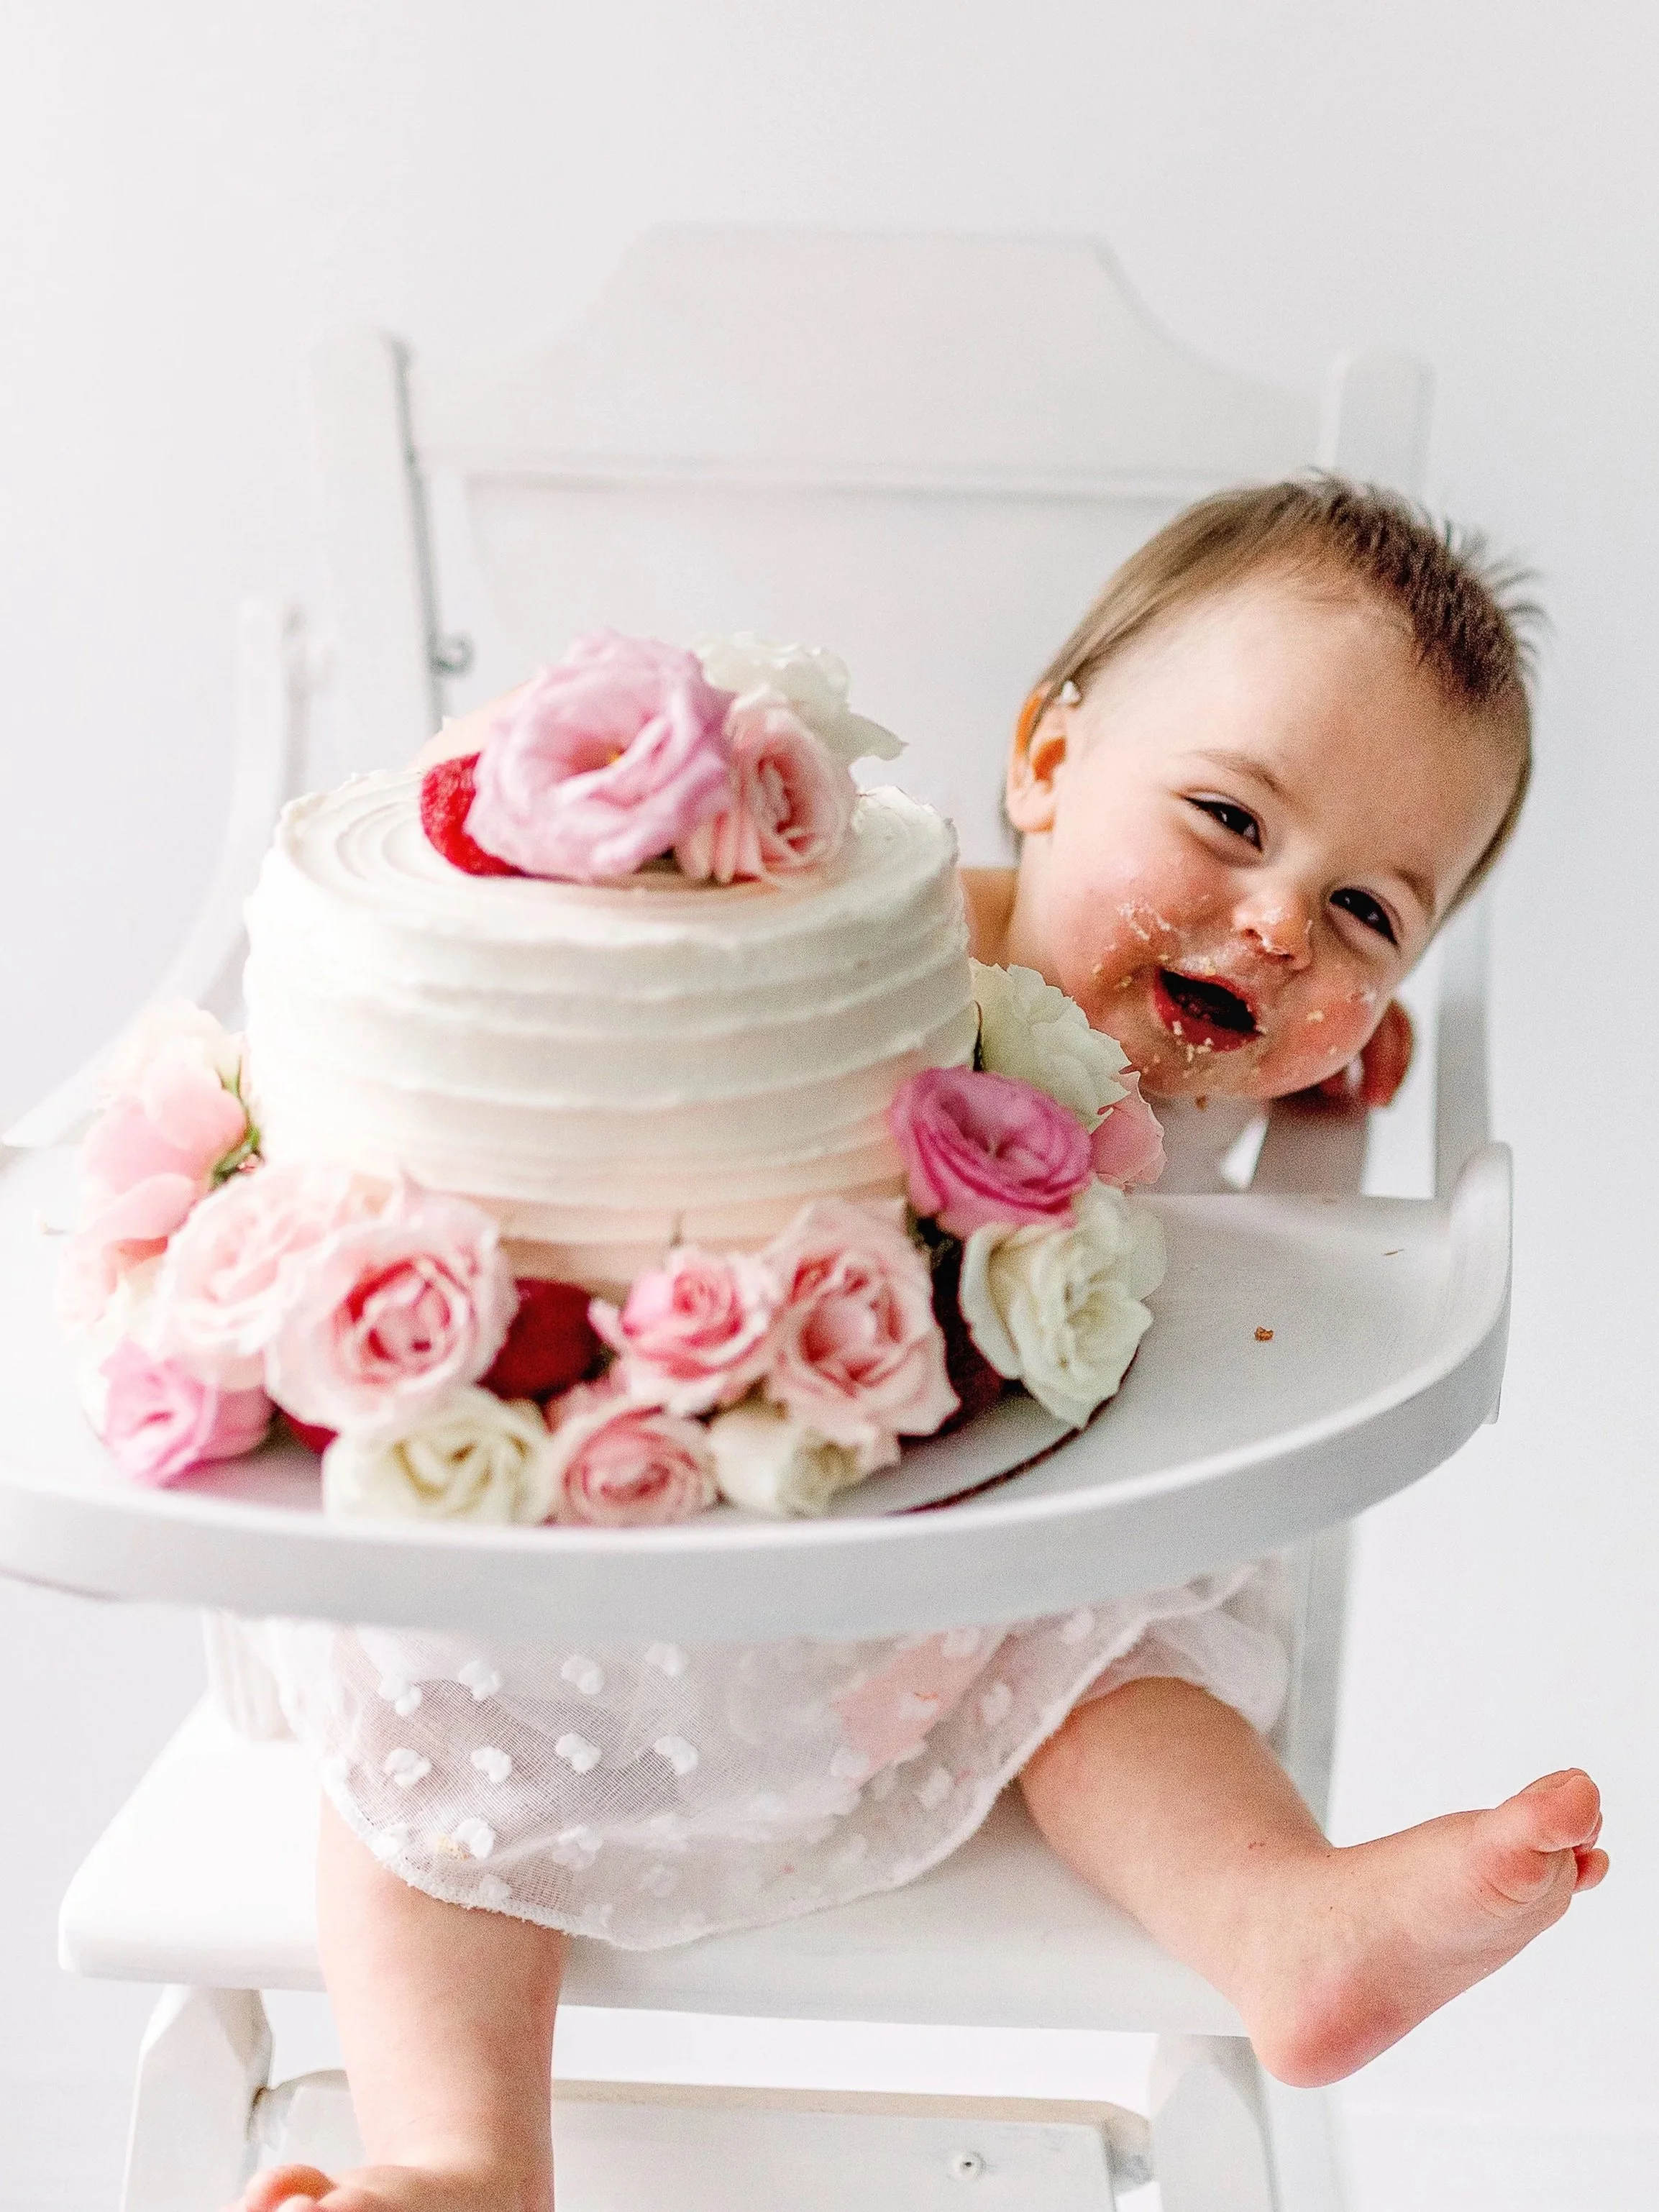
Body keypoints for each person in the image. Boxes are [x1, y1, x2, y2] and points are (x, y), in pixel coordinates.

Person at [242, 480, 1603, 2212]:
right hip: (656, 1531)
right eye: (1225, 815)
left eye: (1368, 917)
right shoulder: (855, 955)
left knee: (1129, 1661)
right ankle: (462, 2150)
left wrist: (1321, 1056)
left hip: (989, 1583)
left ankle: (1280, 1917)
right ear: (1042, 758)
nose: (1276, 924)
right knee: (425, 1742)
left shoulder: (1223, 1034)